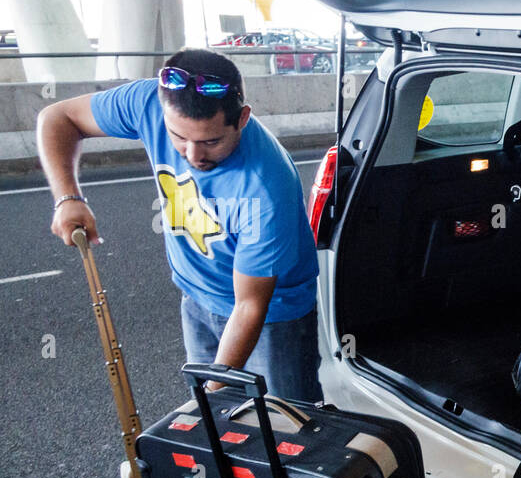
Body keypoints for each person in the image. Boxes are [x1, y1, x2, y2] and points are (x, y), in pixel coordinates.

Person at [37, 47, 323, 401]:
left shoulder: (266, 186)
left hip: (272, 316)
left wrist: (212, 391)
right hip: (196, 295)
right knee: (216, 428)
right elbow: (58, 117)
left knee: (287, 426)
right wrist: (68, 198)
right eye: (178, 137)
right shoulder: (146, 102)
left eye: (211, 141)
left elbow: (250, 306)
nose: (192, 155)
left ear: (243, 118)